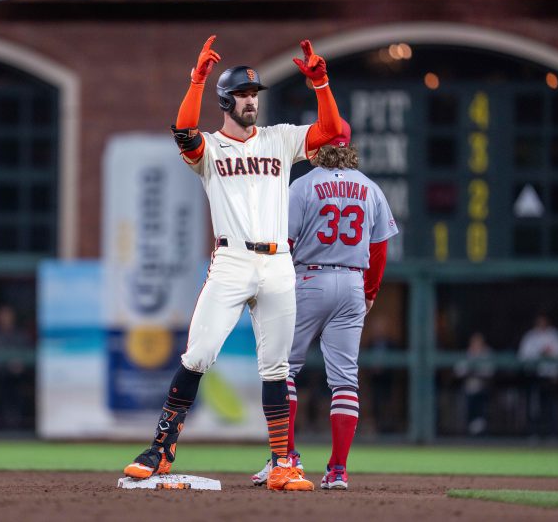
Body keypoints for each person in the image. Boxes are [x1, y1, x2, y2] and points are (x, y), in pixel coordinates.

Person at [122, 36, 342, 492]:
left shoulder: (279, 138)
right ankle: (161, 449)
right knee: (198, 355)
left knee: (276, 369)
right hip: (232, 259)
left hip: (278, 262)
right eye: (242, 94)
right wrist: (196, 81)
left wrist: (321, 85)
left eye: (254, 94)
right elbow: (183, 131)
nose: (251, 101)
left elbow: (331, 132)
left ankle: (282, 463)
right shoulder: (210, 149)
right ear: (225, 100)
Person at [251, 118, 398, 490]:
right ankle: (338, 471)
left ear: (318, 146)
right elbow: (379, 250)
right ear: (350, 147)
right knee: (345, 380)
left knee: (283, 371)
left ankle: (285, 459)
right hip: (351, 283)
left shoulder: (303, 185)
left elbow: (283, 243)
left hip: (309, 279)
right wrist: (369, 291)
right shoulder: (371, 188)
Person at [518, 313, 558, 437]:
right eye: (539, 321)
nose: (541, 324)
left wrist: (556, 373)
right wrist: (540, 353)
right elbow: (523, 355)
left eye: (543, 321)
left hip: (550, 376)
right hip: (534, 375)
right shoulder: (530, 336)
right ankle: (533, 433)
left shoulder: (554, 335)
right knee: (533, 406)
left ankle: (551, 433)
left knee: (550, 405)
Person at [0, 305, 32, 428]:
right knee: (0, 388)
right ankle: (1, 424)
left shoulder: (20, 336)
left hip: (18, 378)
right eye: (1, 316)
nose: (3, 319)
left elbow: (27, 357)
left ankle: (15, 423)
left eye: (6, 316)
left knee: (14, 388)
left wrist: (20, 365)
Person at [453, 332, 494, 436]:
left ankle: (480, 430)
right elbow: (459, 371)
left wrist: (475, 370)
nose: (476, 344)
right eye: (474, 342)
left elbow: (489, 372)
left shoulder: (487, 353)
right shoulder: (468, 353)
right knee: (468, 401)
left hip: (484, 388)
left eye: (478, 342)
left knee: (480, 403)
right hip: (468, 387)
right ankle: (471, 431)